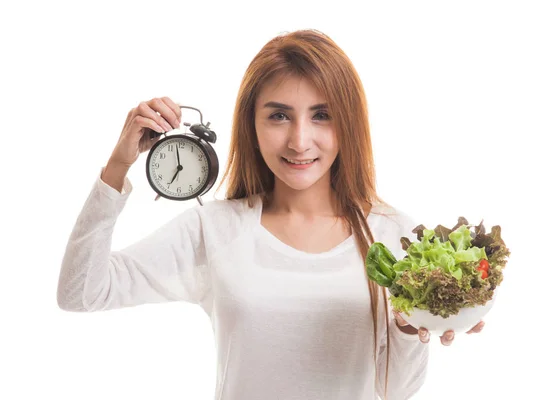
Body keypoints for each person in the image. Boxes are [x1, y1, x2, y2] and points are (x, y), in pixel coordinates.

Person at [56, 29, 484, 400]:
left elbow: (396, 390)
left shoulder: (393, 236)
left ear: (349, 123)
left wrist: (416, 327)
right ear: (252, 125)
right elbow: (82, 293)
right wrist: (117, 167)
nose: (300, 141)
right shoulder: (216, 228)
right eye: (279, 115)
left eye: (322, 116)